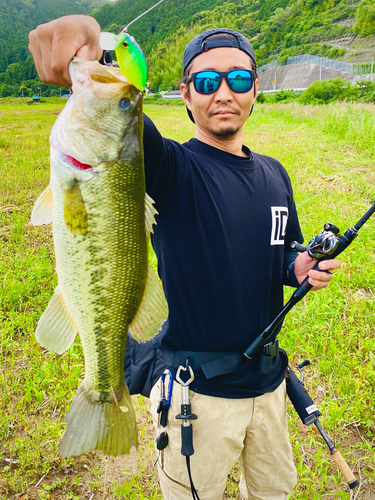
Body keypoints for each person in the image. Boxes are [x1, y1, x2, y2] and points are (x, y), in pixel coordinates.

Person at [29, 16, 340, 500]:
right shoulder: (174, 166)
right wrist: (87, 41)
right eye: (206, 80)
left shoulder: (276, 175)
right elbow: (124, 127)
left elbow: (282, 252)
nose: (223, 92)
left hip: (269, 386)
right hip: (198, 398)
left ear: (255, 89)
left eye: (238, 78)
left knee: (275, 492)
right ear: (186, 93)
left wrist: (295, 267)